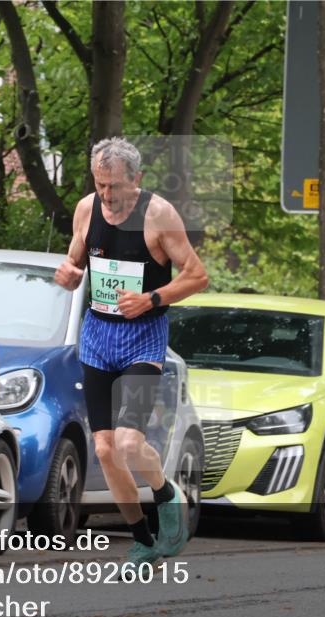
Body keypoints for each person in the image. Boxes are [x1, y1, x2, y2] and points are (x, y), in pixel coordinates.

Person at [54, 137, 209, 566]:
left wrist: (152, 299)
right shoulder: (86, 209)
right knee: (104, 449)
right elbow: (76, 264)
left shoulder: (158, 215)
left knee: (127, 443)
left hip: (143, 340)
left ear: (136, 179)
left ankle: (164, 493)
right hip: (98, 339)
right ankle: (142, 539)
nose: (107, 195)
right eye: (101, 185)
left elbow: (197, 277)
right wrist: (68, 275)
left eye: (115, 187)